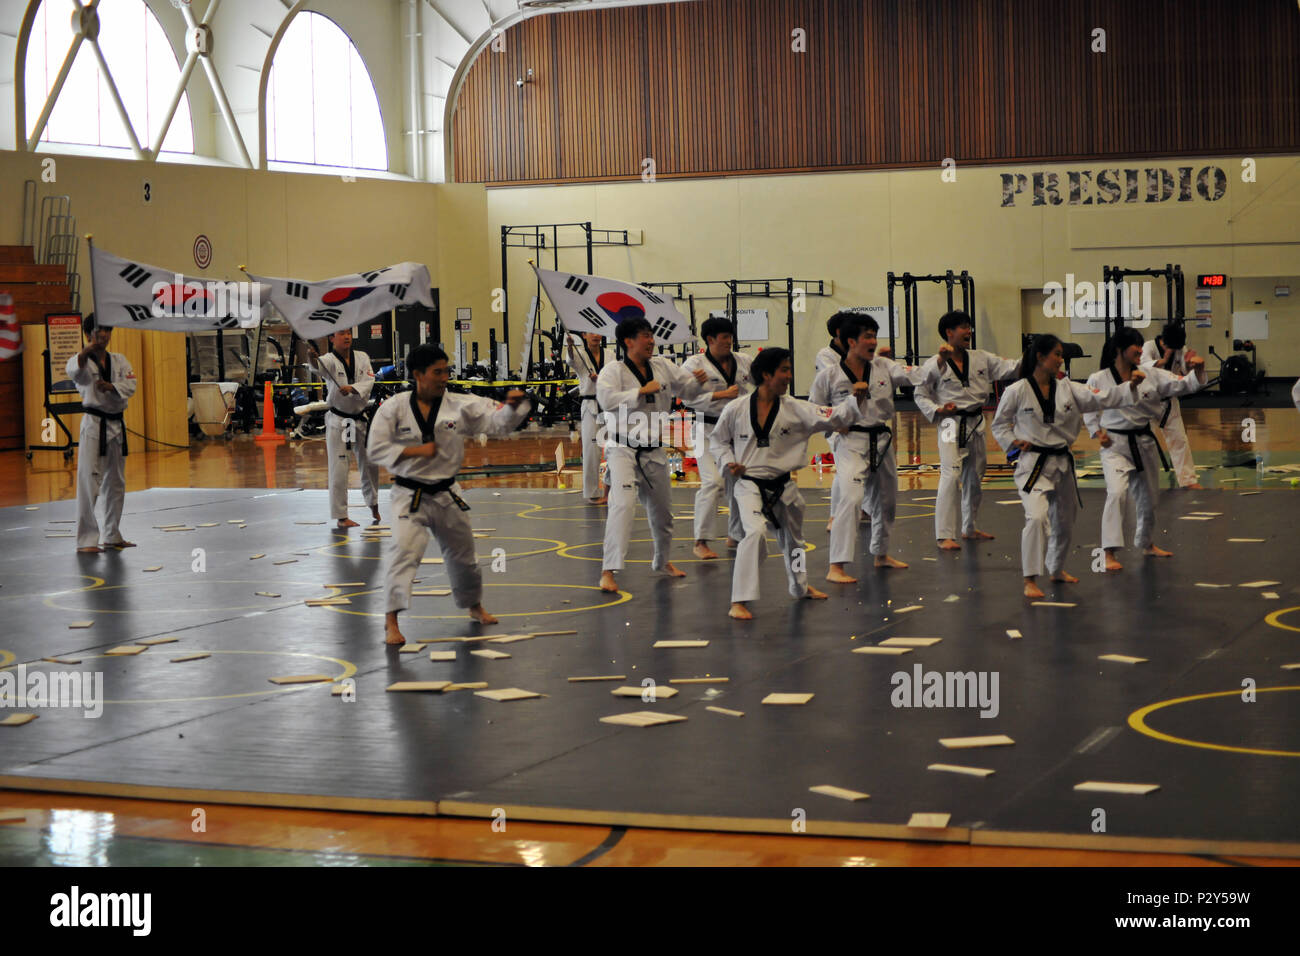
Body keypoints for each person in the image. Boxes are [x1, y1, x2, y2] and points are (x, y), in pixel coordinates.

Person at [367, 344, 530, 644]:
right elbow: (375, 449)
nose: (444, 377)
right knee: (403, 552)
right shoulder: (393, 408)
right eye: (437, 372)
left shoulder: (460, 404)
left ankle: (474, 605)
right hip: (409, 494)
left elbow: (495, 424)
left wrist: (513, 407)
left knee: (465, 557)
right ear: (417, 374)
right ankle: (391, 620)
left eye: (446, 371)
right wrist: (415, 451)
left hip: (447, 492)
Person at [711, 347, 870, 619]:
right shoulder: (735, 408)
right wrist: (727, 462)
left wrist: (856, 399)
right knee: (755, 533)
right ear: (766, 374)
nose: (789, 376)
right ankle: (740, 600)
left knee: (794, 542)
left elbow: (834, 416)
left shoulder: (797, 408)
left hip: (784, 486)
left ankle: (799, 585)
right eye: (783, 370)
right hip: (748, 483)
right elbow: (717, 441)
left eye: (788, 369)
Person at [991, 334, 1143, 599]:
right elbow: (999, 424)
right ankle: (1029, 579)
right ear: (1040, 356)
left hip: (1062, 462)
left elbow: (1103, 398)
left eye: (1062, 355)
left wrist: (1129, 386)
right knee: (1037, 517)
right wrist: (1013, 443)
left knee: (1065, 521)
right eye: (1057, 355)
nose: (1061, 361)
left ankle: (1056, 568)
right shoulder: (1016, 391)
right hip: (1033, 465)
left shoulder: (1069, 388)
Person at [596, 317, 709, 593]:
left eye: (651, 335)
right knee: (622, 505)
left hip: (654, 449)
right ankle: (608, 571)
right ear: (628, 341)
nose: (651, 341)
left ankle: (662, 561)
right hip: (622, 449)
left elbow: (688, 390)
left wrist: (698, 382)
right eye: (645, 336)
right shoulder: (613, 370)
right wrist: (638, 392)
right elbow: (606, 401)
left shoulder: (662, 365)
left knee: (663, 513)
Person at [809, 313, 920, 581]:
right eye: (867, 336)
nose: (873, 341)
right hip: (850, 441)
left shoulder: (884, 366)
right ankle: (836, 565)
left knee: (887, 501)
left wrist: (941, 362)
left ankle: (881, 554)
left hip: (882, 440)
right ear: (850, 341)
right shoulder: (830, 374)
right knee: (851, 498)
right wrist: (835, 424)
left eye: (874, 335)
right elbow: (814, 409)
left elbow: (915, 375)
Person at [1085, 329, 1207, 570]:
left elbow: (1184, 385)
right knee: (1117, 493)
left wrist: (1198, 370)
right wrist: (1096, 432)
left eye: (1141, 346)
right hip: (1115, 445)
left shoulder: (1151, 374)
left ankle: (1146, 543)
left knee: (1149, 498)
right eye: (1135, 347)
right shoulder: (1099, 378)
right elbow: (1088, 406)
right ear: (1120, 350)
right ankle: (1109, 552)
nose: (1141, 350)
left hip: (1144, 441)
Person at [913, 311, 1019, 551]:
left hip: (976, 421)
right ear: (949, 332)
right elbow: (920, 393)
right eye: (963, 327)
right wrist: (938, 410)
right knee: (951, 474)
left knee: (975, 477)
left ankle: (969, 527)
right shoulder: (935, 363)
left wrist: (1035, 358)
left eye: (969, 326)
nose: (968, 331)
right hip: (950, 423)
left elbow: (1010, 367)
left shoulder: (981, 358)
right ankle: (944, 535)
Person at [681, 317, 753, 558]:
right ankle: (700, 540)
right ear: (710, 340)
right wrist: (720, 394)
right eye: (724, 337)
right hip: (705, 430)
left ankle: (735, 534)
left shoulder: (743, 361)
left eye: (730, 337)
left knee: (738, 483)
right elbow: (685, 399)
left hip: (737, 431)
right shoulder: (695, 364)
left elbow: (761, 383)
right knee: (712, 483)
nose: (728, 341)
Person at [68, 314, 137, 553]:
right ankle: (86, 540)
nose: (104, 335)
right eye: (99, 331)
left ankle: (112, 534)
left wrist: (113, 387)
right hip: (94, 425)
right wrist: (86, 352)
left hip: (117, 426)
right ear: (88, 334)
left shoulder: (120, 360)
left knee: (116, 483)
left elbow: (131, 385)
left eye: (107, 330)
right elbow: (75, 374)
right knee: (89, 481)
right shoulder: (81, 362)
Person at [308, 329, 380, 528]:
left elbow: (369, 381)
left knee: (370, 463)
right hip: (338, 421)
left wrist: (352, 388)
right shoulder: (329, 360)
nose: (347, 337)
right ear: (332, 338)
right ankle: (341, 516)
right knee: (339, 468)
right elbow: (317, 368)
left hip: (360, 419)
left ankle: (374, 504)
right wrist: (311, 357)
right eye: (341, 334)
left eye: (349, 333)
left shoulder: (362, 357)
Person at [1140, 322, 1199, 488]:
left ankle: (1188, 481)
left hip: (1169, 400)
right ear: (1163, 341)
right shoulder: (1149, 346)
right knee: (1145, 442)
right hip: (1148, 401)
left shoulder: (1180, 348)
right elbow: (1143, 368)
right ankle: (1144, 481)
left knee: (1179, 440)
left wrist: (1191, 364)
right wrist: (1164, 359)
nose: (1176, 350)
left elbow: (1187, 372)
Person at [565, 331, 610, 504]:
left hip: (608, 405)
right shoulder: (580, 354)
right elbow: (570, 359)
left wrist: (602, 379)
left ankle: (610, 488)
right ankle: (592, 492)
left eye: (599, 332)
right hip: (590, 406)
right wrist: (569, 345)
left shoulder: (610, 355)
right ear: (584, 336)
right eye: (591, 333)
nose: (596, 336)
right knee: (591, 450)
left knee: (615, 448)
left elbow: (615, 376)